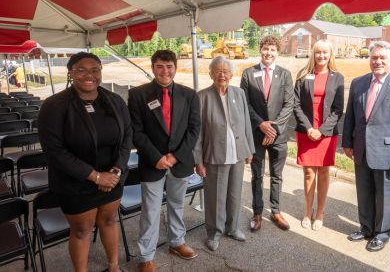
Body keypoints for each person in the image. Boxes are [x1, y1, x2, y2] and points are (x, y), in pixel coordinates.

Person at [38, 52, 132, 272]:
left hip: (112, 178)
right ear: (70, 73)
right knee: (82, 230)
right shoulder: (54, 106)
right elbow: (55, 151)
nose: (89, 75)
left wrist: (116, 171)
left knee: (109, 221)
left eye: (95, 69)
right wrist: (96, 176)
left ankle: (114, 266)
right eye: (81, 69)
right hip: (75, 182)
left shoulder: (115, 100)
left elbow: (128, 137)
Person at [342, 41, 390, 252]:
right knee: (364, 192)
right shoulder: (358, 83)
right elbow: (350, 116)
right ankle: (366, 227)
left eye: (382, 58)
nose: (377, 61)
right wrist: (347, 143)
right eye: (374, 58)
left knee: (387, 195)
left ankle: (382, 233)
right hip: (361, 150)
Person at [128, 50, 201, 272]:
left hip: (180, 162)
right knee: (150, 210)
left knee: (177, 205)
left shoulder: (189, 95)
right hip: (152, 163)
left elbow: (194, 129)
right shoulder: (138, 95)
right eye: (160, 66)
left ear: (175, 68)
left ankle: (177, 242)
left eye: (169, 66)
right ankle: (146, 256)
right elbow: (136, 131)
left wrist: (175, 155)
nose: (165, 71)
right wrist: (157, 157)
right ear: (153, 68)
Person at [194, 56, 255, 251]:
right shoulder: (202, 96)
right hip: (214, 154)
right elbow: (197, 133)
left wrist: (249, 149)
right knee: (215, 197)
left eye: (226, 71)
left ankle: (233, 228)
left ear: (231, 74)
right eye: (218, 71)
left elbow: (246, 123)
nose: (222, 74)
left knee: (234, 194)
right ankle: (214, 233)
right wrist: (198, 161)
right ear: (211, 73)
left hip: (237, 153)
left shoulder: (239, 93)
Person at [240, 35, 294, 232]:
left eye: (272, 49)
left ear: (277, 52)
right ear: (260, 50)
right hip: (256, 134)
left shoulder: (285, 75)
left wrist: (275, 127)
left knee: (276, 175)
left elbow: (290, 104)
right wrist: (261, 124)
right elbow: (244, 103)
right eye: (265, 48)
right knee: (256, 175)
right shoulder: (248, 73)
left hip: (278, 136)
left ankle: (276, 211)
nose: (268, 53)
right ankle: (257, 212)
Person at [293, 39, 344, 231]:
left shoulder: (337, 77)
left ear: (330, 55)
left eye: (325, 53)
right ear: (313, 54)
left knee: (323, 172)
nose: (321, 56)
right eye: (317, 52)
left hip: (327, 133)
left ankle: (320, 213)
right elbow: (295, 104)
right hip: (306, 131)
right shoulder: (303, 75)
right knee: (308, 173)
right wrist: (308, 128)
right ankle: (307, 211)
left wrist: (321, 130)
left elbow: (338, 109)